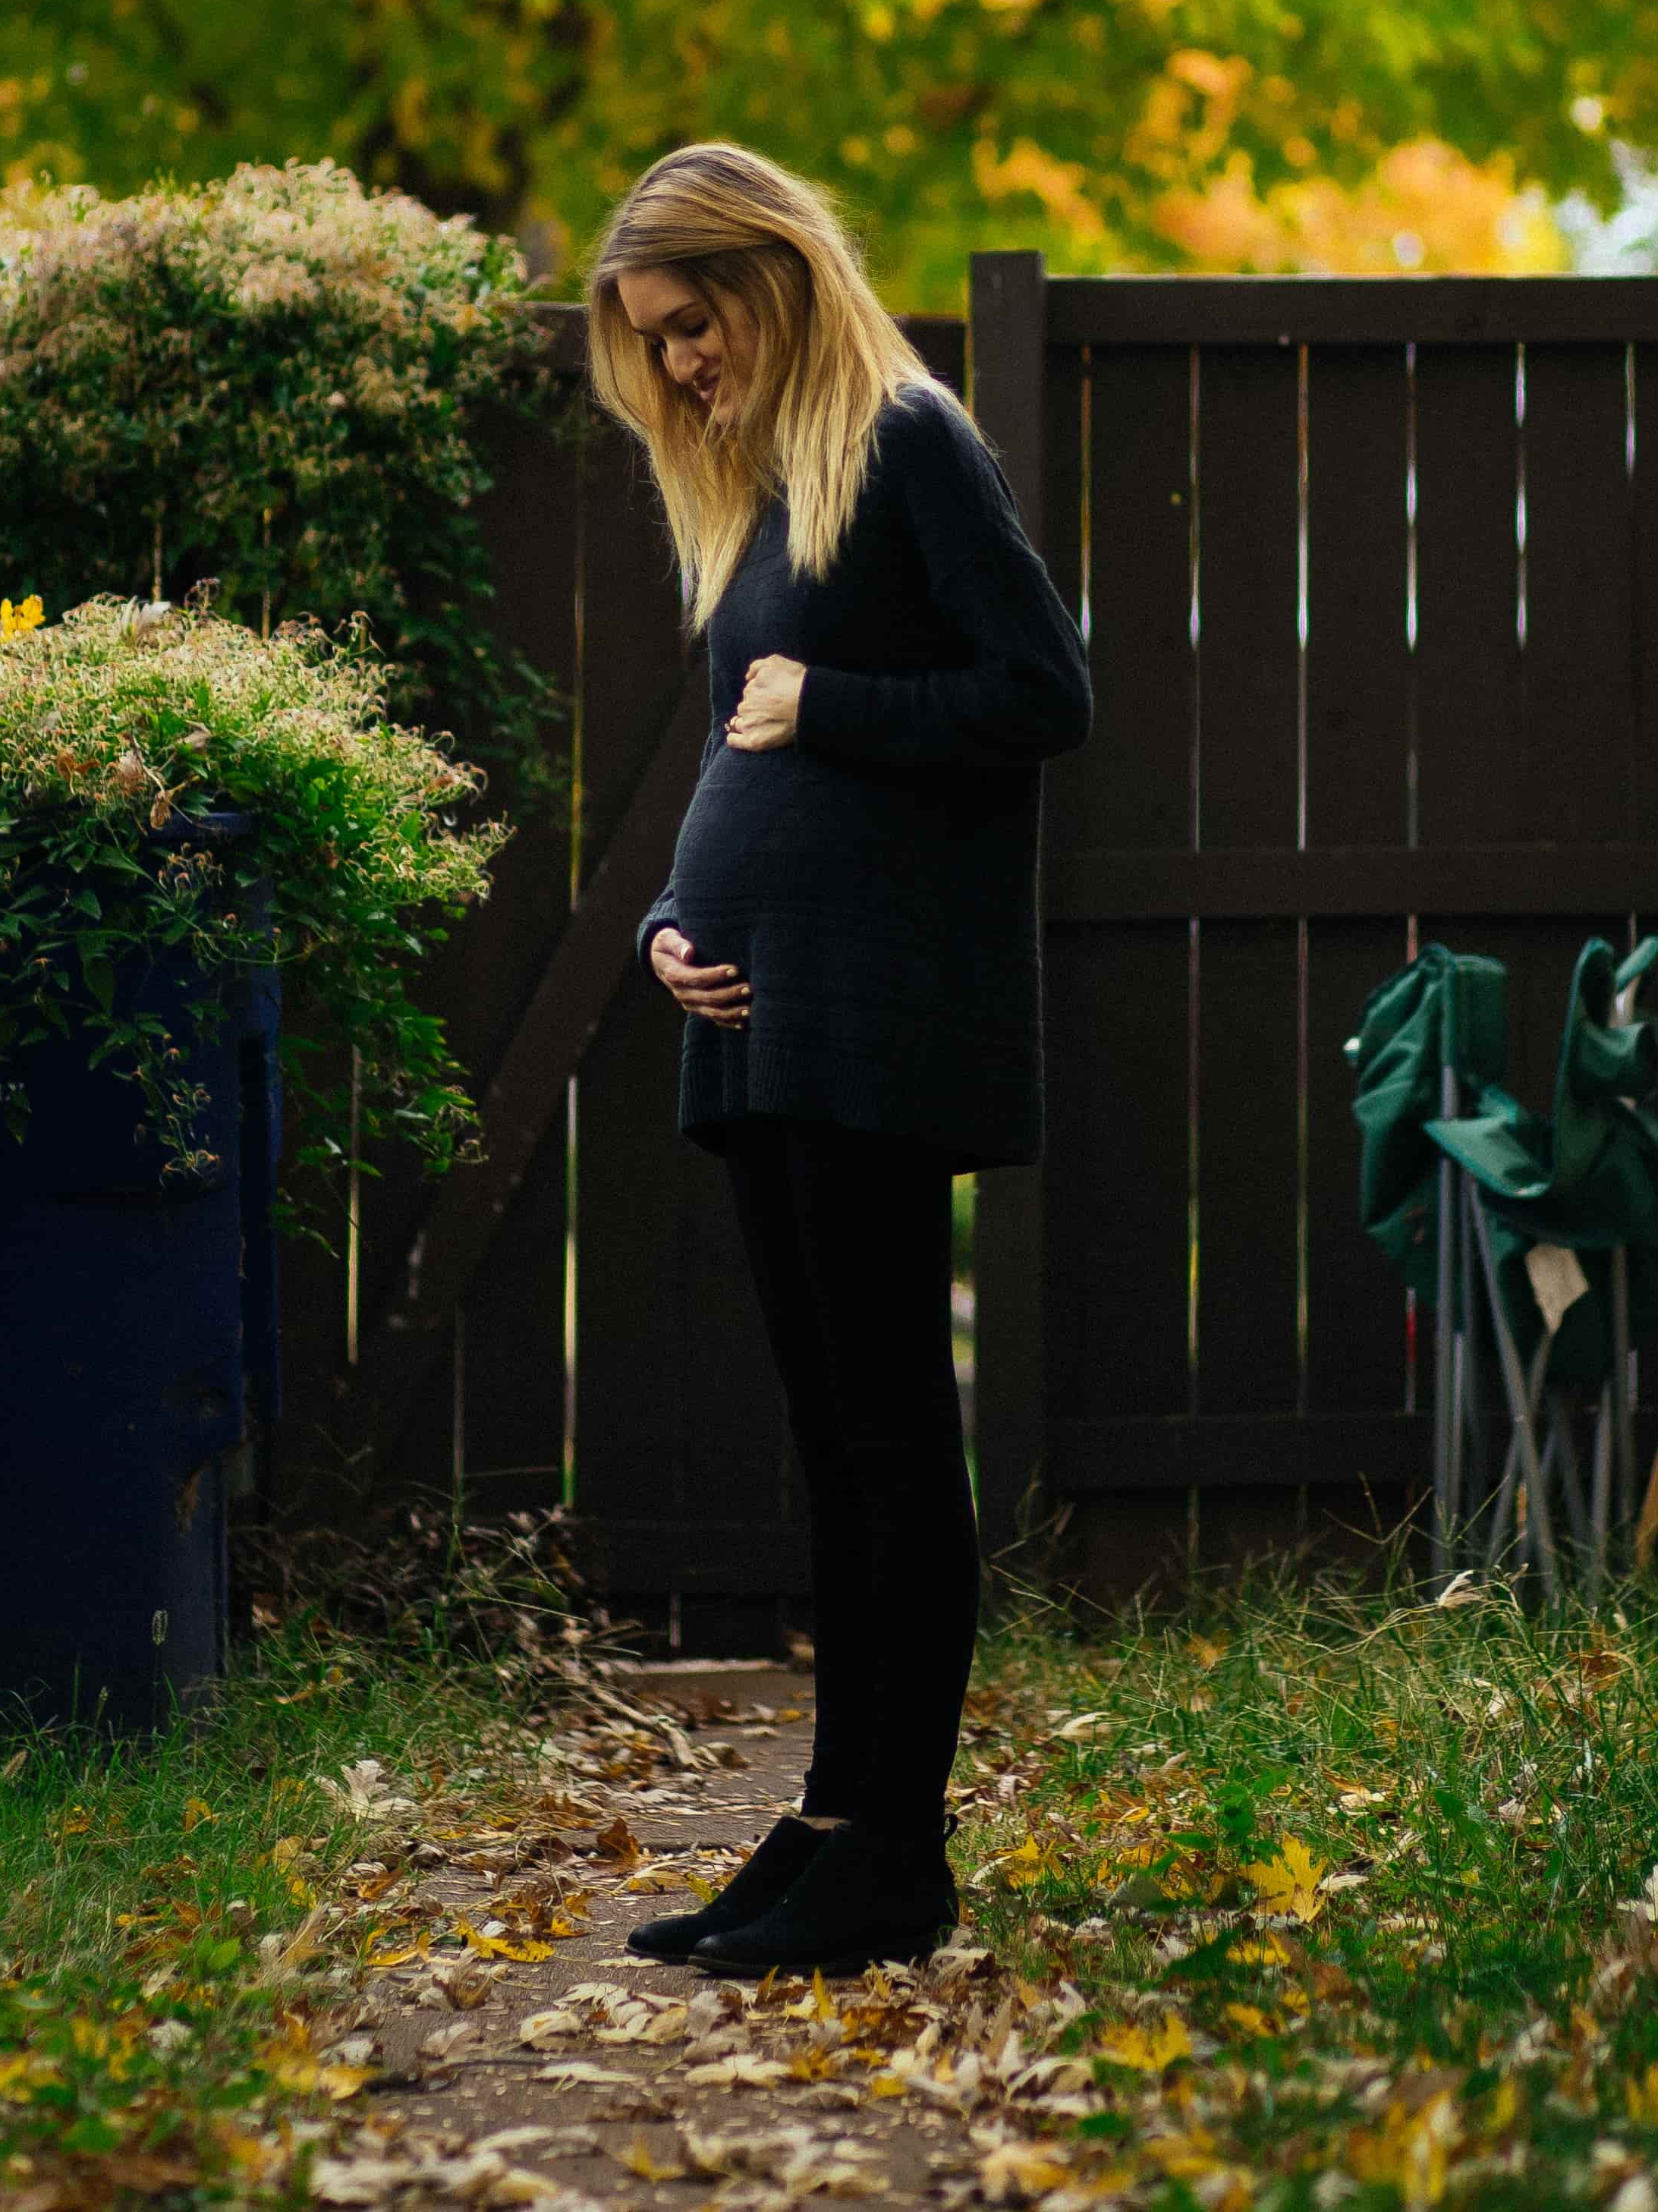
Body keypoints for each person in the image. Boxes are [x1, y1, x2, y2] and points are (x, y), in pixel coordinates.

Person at [581, 141, 1093, 1978]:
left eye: (695, 322)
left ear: (774, 274)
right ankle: (831, 1817)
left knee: (890, 1436)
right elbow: (743, 745)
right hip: (771, 1021)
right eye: (654, 341)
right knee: (832, 1439)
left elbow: (1046, 689)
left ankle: (900, 1845)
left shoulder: (909, 442)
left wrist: (843, 704)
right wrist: (665, 920)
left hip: (878, 1021)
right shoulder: (763, 495)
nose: (682, 363)